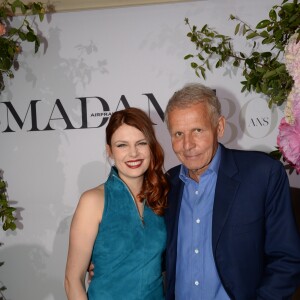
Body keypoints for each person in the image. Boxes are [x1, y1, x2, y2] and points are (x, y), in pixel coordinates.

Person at [164, 83, 300, 299]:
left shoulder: (262, 174)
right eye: (178, 134)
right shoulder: (166, 185)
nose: (187, 144)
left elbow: (287, 258)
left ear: (219, 127)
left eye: (197, 130)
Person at [65, 107, 169, 300]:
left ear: (151, 146)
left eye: (141, 143)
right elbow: (73, 280)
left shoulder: (162, 195)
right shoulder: (93, 201)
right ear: (109, 150)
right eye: (122, 145)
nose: (133, 153)